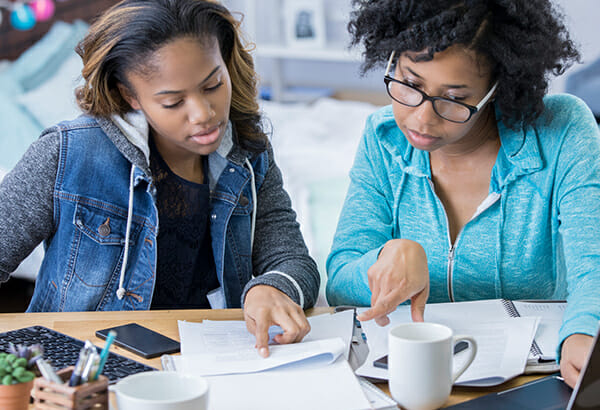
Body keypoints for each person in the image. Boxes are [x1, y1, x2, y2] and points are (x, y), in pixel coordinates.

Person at [0, 0, 320, 357]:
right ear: (129, 95)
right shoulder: (67, 153)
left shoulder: (247, 155)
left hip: (212, 363)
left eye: (213, 84)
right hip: (85, 370)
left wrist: (273, 287)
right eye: (173, 102)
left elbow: (293, 260)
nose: (204, 114)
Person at [326, 0, 600, 388]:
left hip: (531, 381)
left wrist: (584, 331)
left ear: (498, 87)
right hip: (412, 379)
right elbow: (339, 278)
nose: (421, 119)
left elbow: (594, 265)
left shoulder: (563, 131)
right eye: (410, 84)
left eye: (453, 99)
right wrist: (385, 259)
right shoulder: (383, 138)